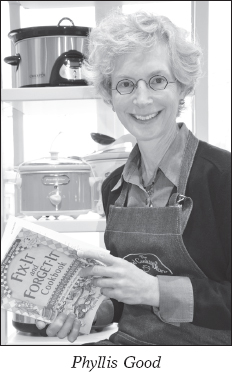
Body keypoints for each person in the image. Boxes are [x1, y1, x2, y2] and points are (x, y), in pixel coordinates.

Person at [36, 9, 231, 345]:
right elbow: (128, 300)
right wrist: (94, 311)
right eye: (126, 84)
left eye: (157, 80)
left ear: (182, 86)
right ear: (110, 96)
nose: (142, 99)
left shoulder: (223, 179)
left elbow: (150, 291)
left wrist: (156, 289)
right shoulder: (113, 187)